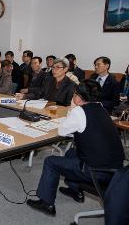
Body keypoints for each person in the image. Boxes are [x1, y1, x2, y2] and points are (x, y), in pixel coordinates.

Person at [27, 79, 124, 216]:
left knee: (50, 162)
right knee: (72, 153)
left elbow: (62, 131)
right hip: (116, 169)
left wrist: (72, 109)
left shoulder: (79, 111)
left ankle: (46, 203)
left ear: (78, 98)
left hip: (96, 171)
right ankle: (75, 189)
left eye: (75, 94)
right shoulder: (101, 109)